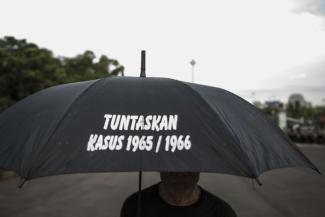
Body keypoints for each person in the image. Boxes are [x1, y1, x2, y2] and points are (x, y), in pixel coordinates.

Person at [120, 172, 237, 217]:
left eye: (187, 169)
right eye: (171, 168)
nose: (180, 175)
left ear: (199, 170)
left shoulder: (221, 212)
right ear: (159, 167)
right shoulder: (135, 205)